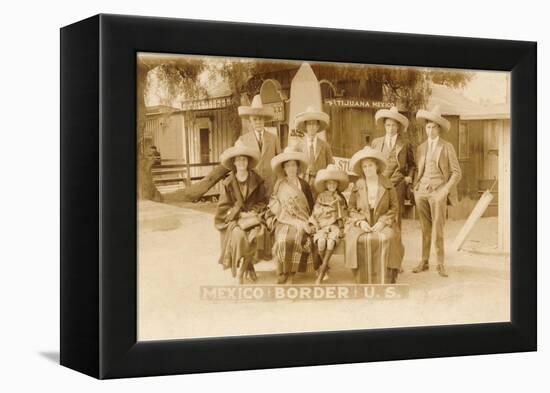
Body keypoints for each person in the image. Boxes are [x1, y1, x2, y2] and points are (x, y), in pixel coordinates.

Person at [412, 106, 462, 277]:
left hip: (438, 192)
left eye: (434, 127)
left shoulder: (447, 147)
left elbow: (457, 172)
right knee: (425, 229)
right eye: (428, 127)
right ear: (425, 128)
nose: (430, 130)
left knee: (437, 228)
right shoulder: (420, 147)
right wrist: (415, 187)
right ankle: (424, 261)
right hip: (421, 192)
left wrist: (445, 190)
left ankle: (440, 263)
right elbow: (417, 170)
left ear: (439, 128)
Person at [344, 146, 404, 284]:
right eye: (364, 166)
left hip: (382, 220)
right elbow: (351, 208)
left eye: (370, 165)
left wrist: (382, 222)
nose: (367, 169)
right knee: (356, 239)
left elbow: (394, 207)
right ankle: (362, 277)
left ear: (376, 166)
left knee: (389, 237)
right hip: (363, 220)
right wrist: (360, 222)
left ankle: (388, 276)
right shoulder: (358, 185)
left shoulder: (387, 184)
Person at [214, 141, 269, 284]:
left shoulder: (257, 179)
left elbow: (264, 201)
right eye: (238, 159)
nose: (241, 162)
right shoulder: (228, 183)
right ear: (234, 163)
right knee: (239, 237)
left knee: (256, 236)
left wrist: (253, 212)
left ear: (248, 162)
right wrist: (238, 214)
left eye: (244, 159)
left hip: (254, 217)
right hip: (236, 220)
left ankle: (242, 272)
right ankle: (249, 268)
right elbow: (223, 207)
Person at [266, 145, 316, 284]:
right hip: (283, 220)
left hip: (302, 219)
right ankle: (282, 271)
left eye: (294, 165)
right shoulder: (280, 184)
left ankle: (292, 272)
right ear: (284, 168)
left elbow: (310, 206)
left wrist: (309, 222)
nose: (291, 169)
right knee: (283, 239)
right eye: (288, 166)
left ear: (298, 167)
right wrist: (286, 217)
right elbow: (274, 203)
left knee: (296, 237)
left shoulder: (304, 185)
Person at [371, 106, 416, 229]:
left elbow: (412, 165)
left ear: (398, 127)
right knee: (379, 216)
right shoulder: (376, 143)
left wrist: (409, 177)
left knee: (395, 217)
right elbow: (371, 163)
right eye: (388, 125)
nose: (391, 128)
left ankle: (396, 247)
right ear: (384, 126)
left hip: (398, 185)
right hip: (380, 184)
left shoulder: (405, 144)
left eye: (394, 125)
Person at [310, 164, 349, 284]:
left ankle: (321, 273)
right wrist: (317, 223)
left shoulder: (340, 198)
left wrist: (342, 227)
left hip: (335, 226)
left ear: (337, 185)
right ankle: (325, 268)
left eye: (334, 183)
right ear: (326, 184)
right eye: (329, 183)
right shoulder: (320, 196)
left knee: (331, 242)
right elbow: (316, 212)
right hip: (322, 225)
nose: (332, 186)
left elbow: (343, 214)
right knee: (321, 242)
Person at [238, 95, 282, 194]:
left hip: (271, 183)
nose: (258, 122)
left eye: (261, 119)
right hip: (252, 184)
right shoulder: (243, 140)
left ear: (265, 120)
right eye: (255, 119)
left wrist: (279, 181)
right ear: (250, 121)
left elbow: (279, 162)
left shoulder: (273, 137)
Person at [294, 106, 334, 194]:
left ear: (318, 126)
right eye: (309, 124)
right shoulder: (298, 147)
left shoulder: (325, 145)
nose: (312, 127)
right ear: (305, 126)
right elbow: (295, 167)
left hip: (320, 182)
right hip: (304, 182)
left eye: (314, 124)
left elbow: (330, 165)